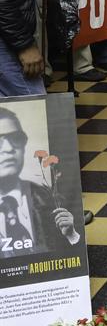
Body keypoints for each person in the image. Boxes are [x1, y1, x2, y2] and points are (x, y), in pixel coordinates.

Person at [0, 106, 81, 256]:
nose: (8, 148)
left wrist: (71, 235)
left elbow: (72, 262)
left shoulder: (49, 198)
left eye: (16, 138)